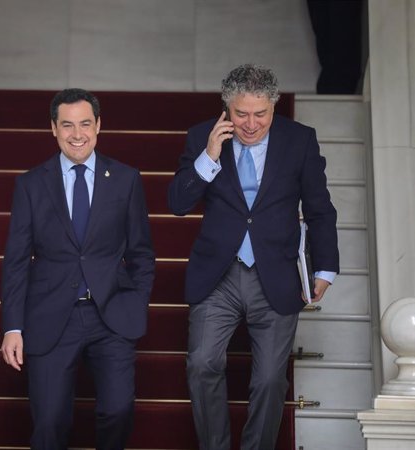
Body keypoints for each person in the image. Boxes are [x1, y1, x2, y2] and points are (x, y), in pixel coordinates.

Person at [168, 64, 339, 450]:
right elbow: (177, 203)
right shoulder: (201, 137)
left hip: (276, 274)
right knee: (202, 363)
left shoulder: (300, 140)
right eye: (241, 113)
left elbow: (320, 209)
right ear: (226, 107)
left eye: (260, 114)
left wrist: (325, 267)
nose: (250, 124)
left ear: (274, 107)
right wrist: (209, 156)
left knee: (270, 380)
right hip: (218, 275)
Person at [0, 88, 155, 450]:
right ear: (53, 129)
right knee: (50, 422)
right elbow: (16, 261)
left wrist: (136, 302)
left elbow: (142, 253)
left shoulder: (126, 179)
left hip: (111, 315)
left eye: (85, 123)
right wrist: (12, 326)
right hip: (51, 316)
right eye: (67, 125)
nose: (77, 133)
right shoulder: (30, 184)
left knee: (118, 410)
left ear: (99, 126)